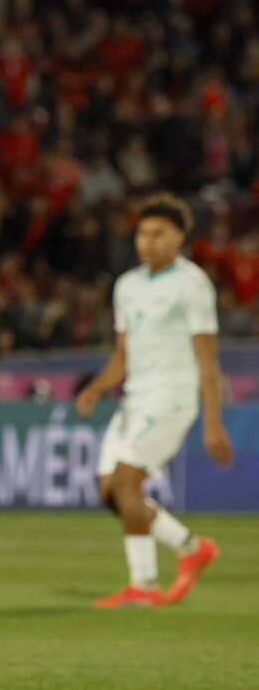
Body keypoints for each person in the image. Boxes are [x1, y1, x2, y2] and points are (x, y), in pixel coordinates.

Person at [76, 193, 232, 608]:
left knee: (127, 482)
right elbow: (123, 354)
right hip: (135, 399)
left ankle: (143, 587)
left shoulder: (191, 285)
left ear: (180, 237)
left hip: (172, 399)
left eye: (158, 233)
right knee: (109, 491)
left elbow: (207, 359)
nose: (147, 242)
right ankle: (190, 547)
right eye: (142, 233)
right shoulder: (127, 286)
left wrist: (213, 422)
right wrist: (95, 387)